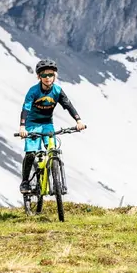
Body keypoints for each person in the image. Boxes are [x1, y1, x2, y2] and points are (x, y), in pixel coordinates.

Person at [18, 58, 85, 193]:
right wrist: (22, 127)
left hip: (47, 124)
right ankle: (25, 182)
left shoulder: (57, 91)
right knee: (31, 153)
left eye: (50, 74)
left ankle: (56, 180)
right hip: (32, 124)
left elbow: (68, 105)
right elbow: (26, 108)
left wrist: (78, 121)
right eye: (44, 75)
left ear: (55, 76)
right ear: (39, 77)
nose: (47, 77)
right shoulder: (33, 91)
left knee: (53, 150)